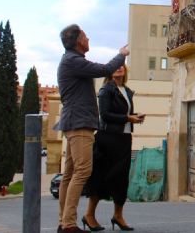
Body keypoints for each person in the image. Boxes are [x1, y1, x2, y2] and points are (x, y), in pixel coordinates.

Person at [56, 24, 129, 233]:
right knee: (82, 171)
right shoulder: (73, 61)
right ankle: (69, 224)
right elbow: (105, 70)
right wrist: (122, 54)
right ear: (79, 40)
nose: (89, 39)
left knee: (69, 174)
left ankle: (65, 221)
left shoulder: (71, 61)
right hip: (79, 124)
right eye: (86, 36)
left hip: (73, 122)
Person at [82, 64, 145, 232]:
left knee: (121, 178)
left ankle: (118, 215)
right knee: (100, 176)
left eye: (121, 66)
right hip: (107, 138)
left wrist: (135, 116)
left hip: (124, 139)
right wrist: (127, 118)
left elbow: (123, 114)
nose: (119, 69)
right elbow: (105, 115)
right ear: (110, 72)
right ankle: (89, 215)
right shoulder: (106, 90)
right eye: (115, 67)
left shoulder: (126, 90)